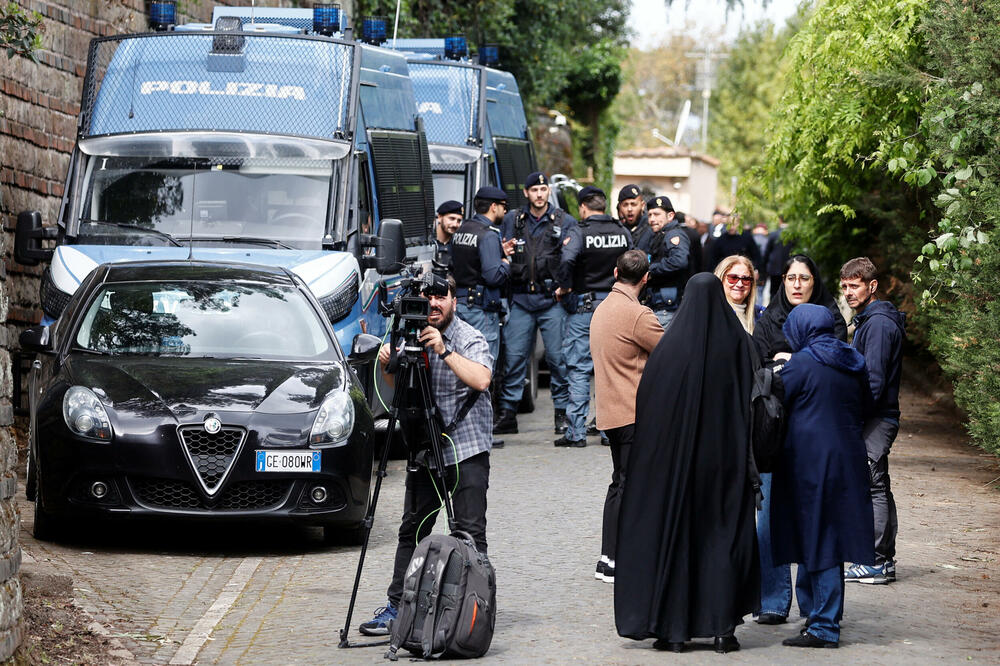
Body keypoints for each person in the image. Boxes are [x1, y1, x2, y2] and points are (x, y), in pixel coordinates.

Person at [615, 274, 759, 654]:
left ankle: (675, 631)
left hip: (676, 468)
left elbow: (649, 407)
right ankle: (723, 630)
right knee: (721, 539)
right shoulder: (738, 343)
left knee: (679, 539)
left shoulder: (670, 349)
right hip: (725, 464)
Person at [359, 276, 494, 636]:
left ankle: (472, 613)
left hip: (465, 447)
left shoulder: (468, 337)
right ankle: (396, 608)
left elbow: (482, 380)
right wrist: (391, 365)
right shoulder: (408, 336)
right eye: (427, 296)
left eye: (441, 296)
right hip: (425, 450)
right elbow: (395, 394)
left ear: (454, 300)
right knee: (411, 531)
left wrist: (444, 352)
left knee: (469, 535)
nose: (434, 303)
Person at [750, 253, 847, 624]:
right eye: (790, 277)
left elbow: (833, 364)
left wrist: (789, 363)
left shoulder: (830, 318)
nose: (796, 284)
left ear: (814, 282)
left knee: (813, 523)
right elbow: (759, 373)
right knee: (767, 522)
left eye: (803, 278)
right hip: (774, 434)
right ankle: (773, 601)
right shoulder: (768, 319)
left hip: (815, 434)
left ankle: (811, 604)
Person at [771, 304, 875, 649]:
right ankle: (821, 615)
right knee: (831, 535)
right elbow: (867, 404)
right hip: (847, 457)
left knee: (819, 539)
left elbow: (776, 400)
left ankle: (823, 626)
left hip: (811, 463)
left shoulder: (802, 363)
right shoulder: (850, 359)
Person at [589, 249, 663, 584]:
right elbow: (669, 353)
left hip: (610, 412)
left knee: (619, 484)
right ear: (646, 278)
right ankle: (620, 558)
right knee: (633, 486)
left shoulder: (602, 309)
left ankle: (607, 557)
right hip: (634, 412)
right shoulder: (638, 314)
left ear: (616, 273)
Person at [840, 257, 905, 585]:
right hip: (876, 416)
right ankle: (882, 559)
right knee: (877, 483)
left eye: (855, 286)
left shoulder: (878, 324)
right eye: (845, 286)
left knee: (873, 484)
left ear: (872, 286)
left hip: (877, 418)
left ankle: (877, 561)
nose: (849, 292)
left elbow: (874, 382)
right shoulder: (871, 319)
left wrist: (852, 416)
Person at [494, 172, 574, 436]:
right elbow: (498, 252)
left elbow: (574, 258)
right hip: (520, 299)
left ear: (548, 191)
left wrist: (567, 285)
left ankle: (561, 413)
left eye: (543, 189)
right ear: (526, 193)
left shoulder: (564, 221)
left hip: (552, 300)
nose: (539, 194)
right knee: (514, 358)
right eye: (534, 190)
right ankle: (507, 413)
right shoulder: (511, 220)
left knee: (557, 359)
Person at [555, 185, 632, 447]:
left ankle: (576, 433)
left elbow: (566, 260)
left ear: (583, 208)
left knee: (578, 367)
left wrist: (564, 286)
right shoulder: (621, 232)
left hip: (584, 309)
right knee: (610, 369)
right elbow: (633, 263)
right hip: (614, 307)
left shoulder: (579, 231)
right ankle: (609, 432)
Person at [450, 186, 515, 362]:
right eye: (503, 206)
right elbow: (493, 277)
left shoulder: (462, 230)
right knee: (482, 364)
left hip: (461, 305)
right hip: (481, 311)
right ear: (494, 206)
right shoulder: (488, 235)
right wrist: (505, 263)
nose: (505, 210)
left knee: (462, 359)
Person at [644, 195, 689, 329]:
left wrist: (651, 270)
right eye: (650, 215)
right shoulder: (661, 234)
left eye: (657, 214)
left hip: (667, 307)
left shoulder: (674, 235)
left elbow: (679, 261)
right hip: (659, 304)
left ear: (670, 216)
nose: (652, 219)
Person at [713, 255, 762, 334]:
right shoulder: (712, 314)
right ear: (720, 279)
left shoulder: (761, 315)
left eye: (745, 279)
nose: (740, 284)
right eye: (733, 278)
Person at [764, 217, 792, 302]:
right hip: (789, 268)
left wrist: (764, 266)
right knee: (786, 292)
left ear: (780, 220)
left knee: (773, 292)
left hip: (774, 268)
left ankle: (772, 311)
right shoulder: (792, 235)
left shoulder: (773, 234)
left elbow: (767, 251)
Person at [433, 200, 464, 272]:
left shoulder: (459, 244)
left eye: (459, 221)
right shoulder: (427, 243)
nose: (455, 224)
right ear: (440, 217)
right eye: (451, 218)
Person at [616, 183, 650, 250]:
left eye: (633, 204)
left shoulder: (652, 228)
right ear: (620, 207)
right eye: (625, 205)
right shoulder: (618, 230)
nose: (629, 209)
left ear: (642, 205)